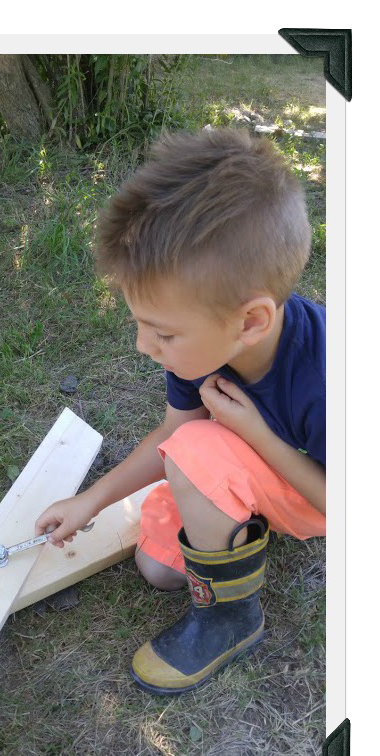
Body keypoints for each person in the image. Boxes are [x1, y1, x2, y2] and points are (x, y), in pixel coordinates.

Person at [34, 127, 326, 695]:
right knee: (161, 569)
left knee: (195, 453)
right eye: (141, 324)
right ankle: (237, 517)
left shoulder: (327, 376)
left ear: (251, 322)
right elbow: (176, 429)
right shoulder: (203, 344)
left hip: (318, 497)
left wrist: (254, 433)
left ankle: (230, 620)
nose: (146, 346)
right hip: (248, 458)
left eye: (162, 333)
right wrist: (90, 499)